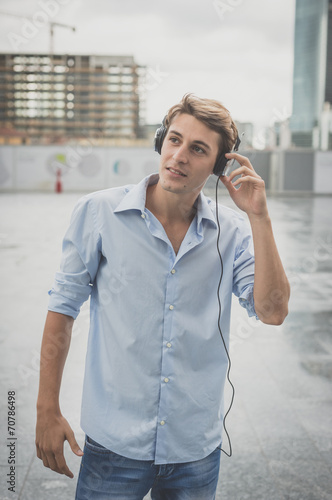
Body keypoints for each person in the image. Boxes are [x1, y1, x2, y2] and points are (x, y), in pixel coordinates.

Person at [35, 93, 290, 499]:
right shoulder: (100, 213)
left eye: (198, 149)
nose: (179, 156)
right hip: (114, 445)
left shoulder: (234, 232)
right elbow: (62, 309)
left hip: (194, 449)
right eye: (174, 140)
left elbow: (273, 311)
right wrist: (46, 409)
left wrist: (259, 217)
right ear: (160, 141)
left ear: (219, 166)